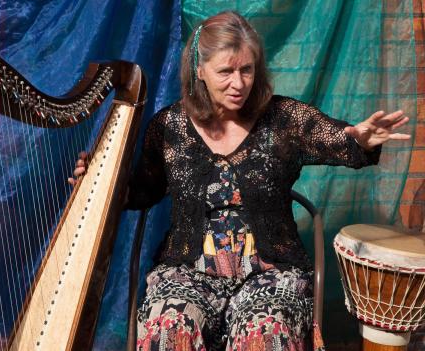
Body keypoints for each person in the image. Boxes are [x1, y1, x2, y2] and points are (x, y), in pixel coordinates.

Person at [70, 11, 410, 351]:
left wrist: (359, 141)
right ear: (199, 71)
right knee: (169, 327)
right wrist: (98, 181)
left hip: (270, 274)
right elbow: (143, 190)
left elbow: (337, 139)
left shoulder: (283, 119)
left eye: (246, 70)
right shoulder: (169, 127)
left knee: (265, 331)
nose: (239, 83)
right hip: (188, 272)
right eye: (226, 71)